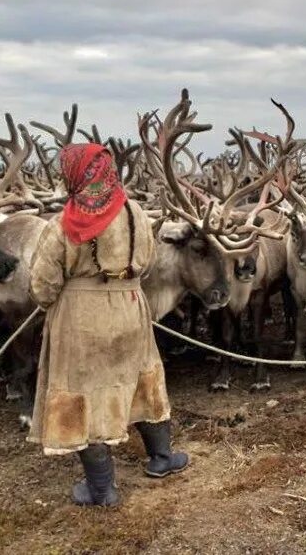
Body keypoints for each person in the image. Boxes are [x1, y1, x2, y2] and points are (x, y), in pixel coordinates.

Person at [27, 142, 188, 507]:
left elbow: (42, 285)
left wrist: (50, 301)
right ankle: (162, 458)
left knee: (85, 393)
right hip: (130, 306)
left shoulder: (63, 225)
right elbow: (145, 262)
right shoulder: (135, 213)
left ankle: (102, 489)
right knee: (142, 379)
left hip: (80, 319)